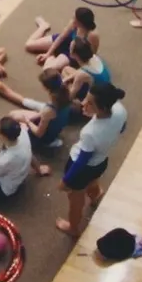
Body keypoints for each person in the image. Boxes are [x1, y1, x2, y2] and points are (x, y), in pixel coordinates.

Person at [57, 83, 128, 235]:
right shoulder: (120, 111)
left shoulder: (90, 132)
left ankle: (73, 227)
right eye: (85, 99)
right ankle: (96, 195)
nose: (83, 103)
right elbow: (122, 127)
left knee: (75, 199)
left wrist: (66, 180)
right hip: (101, 161)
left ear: (102, 108)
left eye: (90, 103)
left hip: (83, 168)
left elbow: (82, 160)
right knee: (92, 180)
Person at [8, 68, 78, 175]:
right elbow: (44, 113)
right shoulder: (65, 94)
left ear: (46, 87)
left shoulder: (50, 109)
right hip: (56, 125)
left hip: (43, 136)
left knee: (12, 116)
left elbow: (39, 133)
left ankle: (46, 144)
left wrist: (27, 121)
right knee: (17, 115)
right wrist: (36, 116)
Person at [26, 7, 99, 72]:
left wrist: (79, 63)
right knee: (29, 45)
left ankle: (53, 58)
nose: (72, 19)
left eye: (74, 18)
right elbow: (61, 37)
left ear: (80, 22)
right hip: (66, 41)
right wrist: (48, 53)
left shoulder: (92, 35)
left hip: (72, 53)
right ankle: (43, 26)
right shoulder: (74, 23)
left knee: (47, 69)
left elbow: (91, 55)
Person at [65, 36, 112, 103]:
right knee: (66, 70)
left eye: (70, 47)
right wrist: (66, 79)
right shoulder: (94, 57)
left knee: (70, 89)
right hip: (105, 87)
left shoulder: (81, 74)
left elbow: (71, 95)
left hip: (97, 99)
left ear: (74, 54)